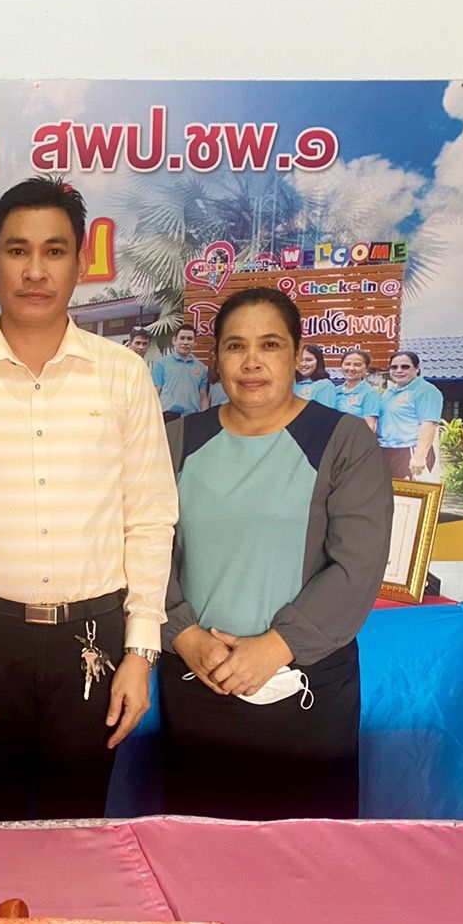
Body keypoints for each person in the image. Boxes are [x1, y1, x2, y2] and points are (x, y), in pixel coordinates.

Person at [0, 177, 174, 822]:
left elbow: (150, 517)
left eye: (54, 251)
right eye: (17, 250)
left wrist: (140, 651)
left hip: (94, 637)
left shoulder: (123, 374)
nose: (34, 270)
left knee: (78, 827)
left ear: (81, 263)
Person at [161, 286, 391, 821]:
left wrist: (275, 647)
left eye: (269, 344)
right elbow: (146, 550)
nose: (252, 362)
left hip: (304, 685)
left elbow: (356, 568)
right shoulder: (178, 440)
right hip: (199, 678)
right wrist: (185, 635)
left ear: (296, 354)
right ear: (216, 359)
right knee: (199, 847)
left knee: (305, 853)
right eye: (235, 346)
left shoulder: (342, 441)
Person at [378, 350, 444, 479]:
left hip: (409, 451)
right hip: (386, 450)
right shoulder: (389, 392)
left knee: (406, 491)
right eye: (394, 367)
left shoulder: (426, 391)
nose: (399, 370)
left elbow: (429, 425)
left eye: (405, 367)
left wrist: (420, 456)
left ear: (417, 369)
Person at [152, 326, 210, 421]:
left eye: (189, 339)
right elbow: (156, 392)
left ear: (195, 343)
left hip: (193, 417)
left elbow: (203, 397)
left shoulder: (201, 368)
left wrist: (205, 418)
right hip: (167, 417)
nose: (185, 342)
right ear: (174, 340)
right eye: (182, 338)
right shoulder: (161, 364)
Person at [335, 348, 382, 433]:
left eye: (357, 365)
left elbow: (370, 427)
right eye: (347, 364)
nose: (351, 368)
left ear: (366, 368)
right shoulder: (335, 391)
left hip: (355, 439)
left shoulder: (370, 393)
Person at [294, 343, 339, 407]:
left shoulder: (324, 385)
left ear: (318, 361)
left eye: (309, 360)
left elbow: (325, 412)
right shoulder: (290, 384)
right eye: (300, 360)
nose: (303, 364)